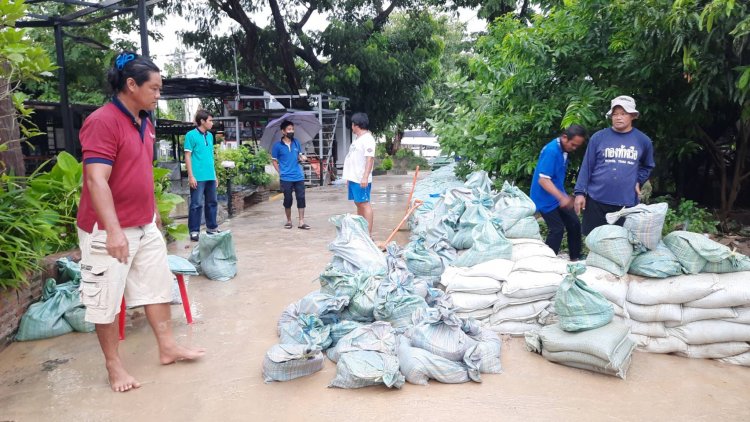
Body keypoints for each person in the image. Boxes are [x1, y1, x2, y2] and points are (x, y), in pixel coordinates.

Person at [76, 52, 204, 393]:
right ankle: (114, 366)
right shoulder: (103, 121)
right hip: (107, 230)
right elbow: (96, 180)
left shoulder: (145, 122)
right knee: (104, 299)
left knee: (157, 286)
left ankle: (168, 347)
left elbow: (141, 170)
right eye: (155, 88)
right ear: (131, 85)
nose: (158, 95)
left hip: (144, 223)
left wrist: (154, 213)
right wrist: (114, 230)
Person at [574, 95, 656, 234]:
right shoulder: (598, 138)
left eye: (623, 114)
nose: (618, 117)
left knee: (622, 243)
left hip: (626, 203)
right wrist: (580, 193)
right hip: (596, 199)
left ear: (632, 116)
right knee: (593, 239)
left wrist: (638, 180)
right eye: (615, 114)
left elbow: (648, 165)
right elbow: (587, 166)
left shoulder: (643, 140)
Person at [530, 125, 588, 261]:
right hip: (544, 198)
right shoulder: (552, 151)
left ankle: (575, 258)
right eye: (573, 145)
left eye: (577, 146)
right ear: (564, 137)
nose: (574, 148)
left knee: (574, 223)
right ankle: (548, 261)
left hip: (556, 196)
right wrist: (562, 197)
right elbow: (543, 180)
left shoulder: (563, 148)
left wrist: (563, 196)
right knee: (557, 229)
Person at [185, 110, 219, 242]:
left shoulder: (210, 136)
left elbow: (210, 156)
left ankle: (212, 228)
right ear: (202, 121)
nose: (212, 123)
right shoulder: (190, 135)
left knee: (212, 202)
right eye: (210, 120)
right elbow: (187, 156)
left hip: (210, 175)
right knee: (196, 204)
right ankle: (194, 230)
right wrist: (191, 176)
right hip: (197, 176)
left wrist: (215, 175)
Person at [271, 120, 309, 229]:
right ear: (283, 131)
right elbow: (274, 161)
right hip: (286, 178)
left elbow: (299, 156)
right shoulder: (277, 146)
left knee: (301, 198)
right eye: (289, 129)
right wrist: (280, 172)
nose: (291, 131)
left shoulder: (296, 142)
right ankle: (288, 221)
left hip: (298, 176)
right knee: (288, 199)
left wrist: (302, 158)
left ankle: (301, 221)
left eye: (292, 129)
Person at [343, 112, 376, 236]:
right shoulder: (358, 139)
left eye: (352, 124)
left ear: (356, 125)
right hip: (353, 177)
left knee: (364, 203)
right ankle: (361, 231)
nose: (351, 126)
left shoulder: (368, 139)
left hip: (361, 178)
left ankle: (368, 235)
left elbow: (369, 158)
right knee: (358, 203)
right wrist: (349, 177)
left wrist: (365, 177)